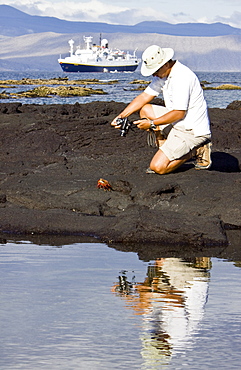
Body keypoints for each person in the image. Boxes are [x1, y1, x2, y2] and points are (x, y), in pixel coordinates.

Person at [111, 45, 212, 174]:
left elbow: (179, 113)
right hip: (178, 122)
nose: (153, 74)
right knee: (145, 110)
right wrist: (122, 116)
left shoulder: (181, 78)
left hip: (191, 130)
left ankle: (198, 150)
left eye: (155, 70)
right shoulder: (163, 74)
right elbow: (145, 96)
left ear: (165, 64)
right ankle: (166, 147)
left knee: (158, 167)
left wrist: (152, 123)